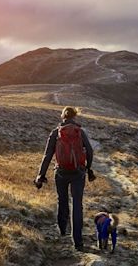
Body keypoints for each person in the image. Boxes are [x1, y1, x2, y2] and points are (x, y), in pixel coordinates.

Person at [34, 106, 95, 251]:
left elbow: (47, 155)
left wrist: (40, 175)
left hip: (60, 173)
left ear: (63, 116)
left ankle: (62, 230)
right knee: (77, 205)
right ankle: (78, 242)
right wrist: (88, 168)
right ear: (75, 116)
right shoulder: (80, 132)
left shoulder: (56, 133)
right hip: (78, 173)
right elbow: (90, 151)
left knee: (62, 200)